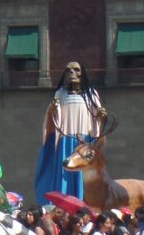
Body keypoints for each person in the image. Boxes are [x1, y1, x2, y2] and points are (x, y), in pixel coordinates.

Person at [36, 61, 105, 202]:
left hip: (85, 141)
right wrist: (52, 110)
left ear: (82, 73)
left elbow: (98, 120)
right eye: (68, 70)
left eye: (76, 70)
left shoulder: (91, 94)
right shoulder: (60, 94)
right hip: (64, 141)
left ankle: (85, 201)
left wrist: (101, 115)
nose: (72, 73)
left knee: (83, 173)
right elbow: (53, 118)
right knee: (64, 172)